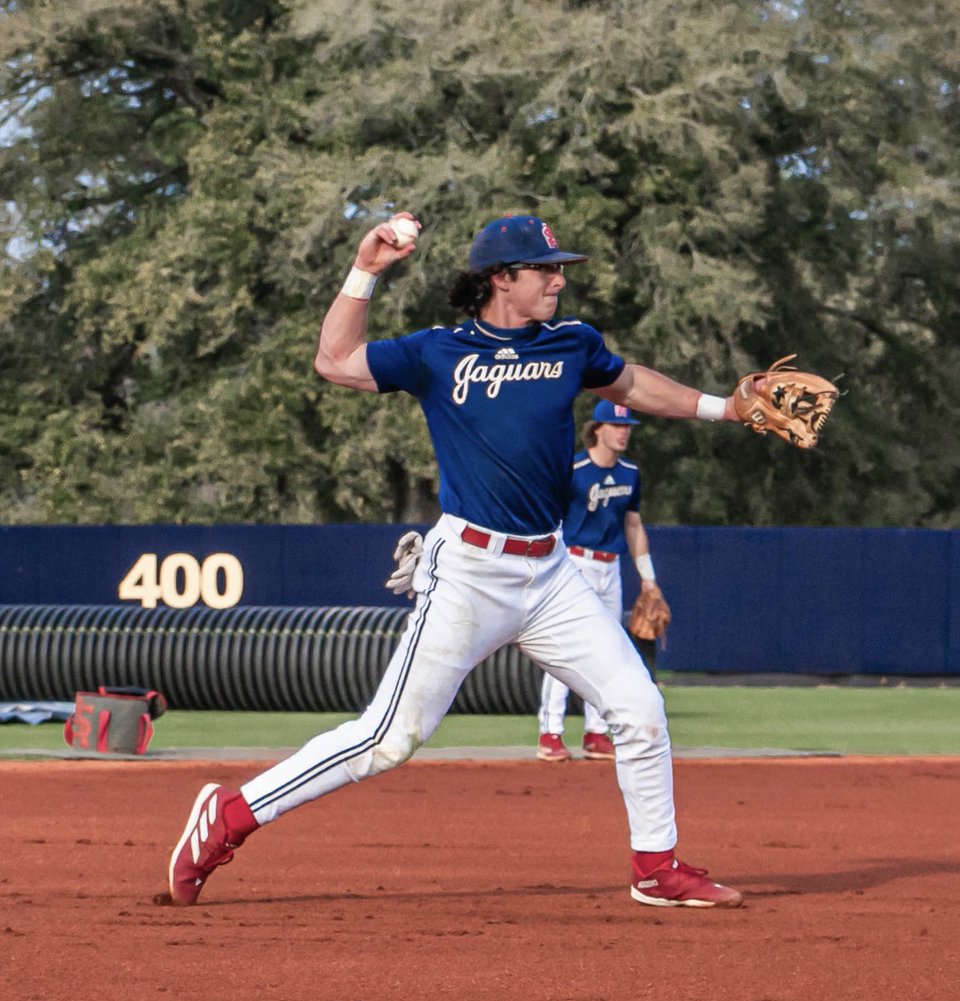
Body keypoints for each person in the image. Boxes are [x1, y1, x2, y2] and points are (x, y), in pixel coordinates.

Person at [167, 211, 744, 910]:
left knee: (640, 709)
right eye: (546, 269)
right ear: (503, 279)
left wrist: (727, 407)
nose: (559, 280)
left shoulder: (572, 344)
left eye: (560, 269)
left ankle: (655, 867)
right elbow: (334, 363)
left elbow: (632, 388)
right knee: (388, 739)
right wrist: (366, 271)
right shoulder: (438, 352)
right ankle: (230, 815)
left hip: (552, 573)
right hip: (468, 572)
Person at [536, 399, 660, 764]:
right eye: (617, 426)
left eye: (628, 427)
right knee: (562, 650)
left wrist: (649, 580)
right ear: (598, 429)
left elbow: (633, 525)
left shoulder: (629, 473)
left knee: (608, 652)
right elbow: (549, 517)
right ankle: (550, 733)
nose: (624, 432)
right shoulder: (574, 469)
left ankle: (596, 733)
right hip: (574, 563)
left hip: (610, 567)